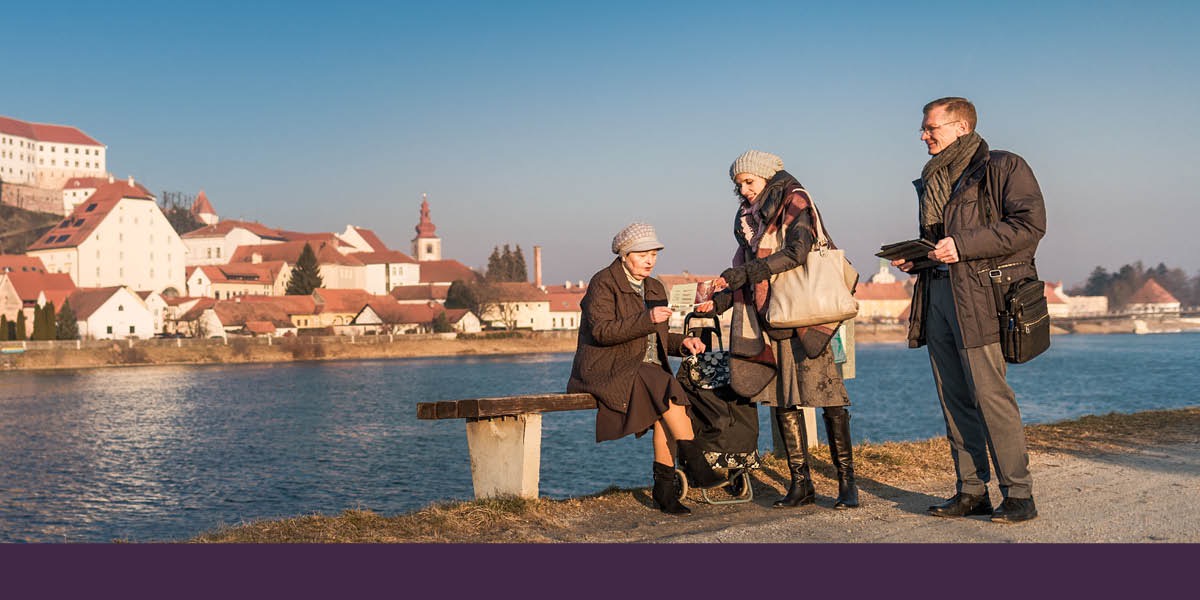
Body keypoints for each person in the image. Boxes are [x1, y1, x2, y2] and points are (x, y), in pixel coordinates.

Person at [891, 97, 1046, 524]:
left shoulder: (1003, 166)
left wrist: (962, 246)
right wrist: (918, 257)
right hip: (937, 293)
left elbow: (1029, 226)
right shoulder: (934, 178)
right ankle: (971, 490)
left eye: (930, 128)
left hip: (981, 298)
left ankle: (1018, 494)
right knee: (954, 397)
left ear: (960, 127)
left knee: (990, 396)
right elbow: (943, 241)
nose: (923, 135)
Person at [712, 150, 860, 510]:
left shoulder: (795, 199)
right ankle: (801, 484)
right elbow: (745, 260)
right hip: (769, 311)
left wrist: (750, 273)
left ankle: (846, 483)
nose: (744, 190)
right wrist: (723, 295)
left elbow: (798, 250)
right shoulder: (748, 216)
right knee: (781, 395)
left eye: (749, 181)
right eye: (738, 185)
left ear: (767, 176)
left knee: (827, 394)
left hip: (806, 310)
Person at [567, 222, 726, 516]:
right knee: (667, 389)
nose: (650, 261)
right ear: (625, 255)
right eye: (643, 255)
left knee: (668, 407)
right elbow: (602, 332)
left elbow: (658, 338)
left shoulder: (654, 286)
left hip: (647, 370)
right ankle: (694, 463)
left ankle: (665, 491)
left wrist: (683, 344)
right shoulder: (603, 282)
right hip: (609, 366)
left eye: (654, 254)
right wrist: (647, 318)